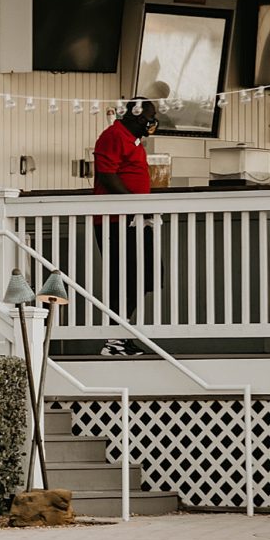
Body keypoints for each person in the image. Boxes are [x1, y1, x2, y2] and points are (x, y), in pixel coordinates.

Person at [93, 97, 158, 356]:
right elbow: (106, 174)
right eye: (149, 118)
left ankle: (120, 333)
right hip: (115, 221)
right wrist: (133, 205)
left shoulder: (134, 141)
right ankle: (114, 340)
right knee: (124, 278)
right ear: (136, 115)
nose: (152, 124)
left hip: (134, 219)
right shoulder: (113, 135)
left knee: (145, 275)